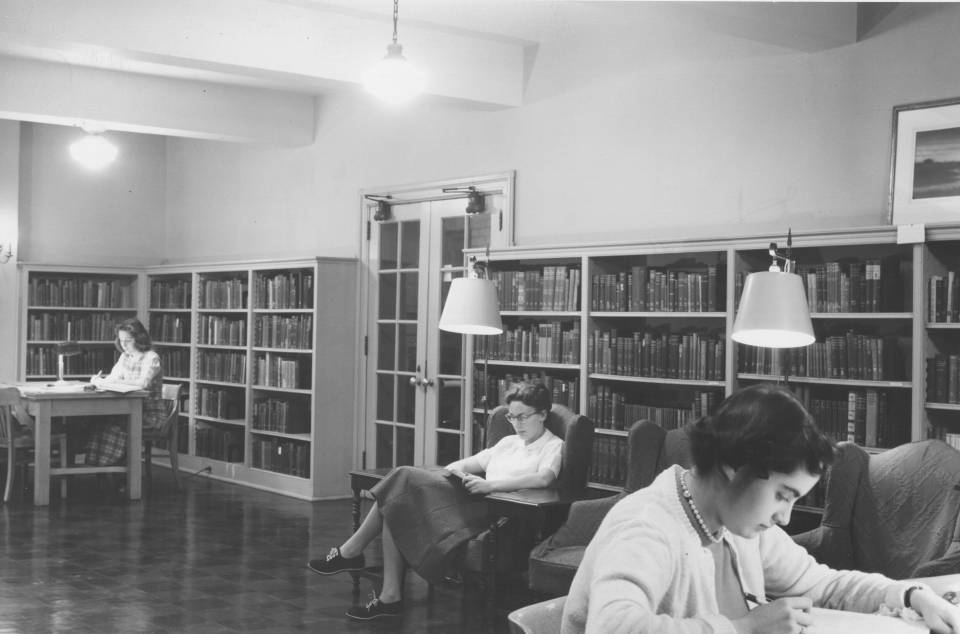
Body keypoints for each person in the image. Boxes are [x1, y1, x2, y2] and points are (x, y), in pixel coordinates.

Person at [562, 383, 960, 634]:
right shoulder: (646, 525)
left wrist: (910, 595)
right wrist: (744, 628)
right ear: (736, 465)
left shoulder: (739, 526)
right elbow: (611, 627)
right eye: (783, 495)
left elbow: (822, 584)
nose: (785, 517)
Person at [307, 381, 563, 622]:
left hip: (501, 514)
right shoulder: (508, 442)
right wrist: (458, 473)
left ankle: (353, 555)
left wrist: (490, 485)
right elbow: (466, 463)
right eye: (511, 417)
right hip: (474, 500)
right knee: (397, 501)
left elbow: (544, 479)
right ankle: (388, 595)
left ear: (542, 414)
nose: (516, 424)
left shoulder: (553, 445)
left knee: (402, 478)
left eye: (522, 417)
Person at [84, 318, 164, 467]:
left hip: (148, 413)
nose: (124, 345)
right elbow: (112, 378)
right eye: (121, 341)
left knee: (111, 426)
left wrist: (113, 382)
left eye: (128, 340)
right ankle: (102, 469)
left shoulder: (151, 357)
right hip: (127, 411)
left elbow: (142, 383)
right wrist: (99, 380)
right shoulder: (124, 357)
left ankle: (119, 472)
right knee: (96, 422)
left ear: (139, 339)